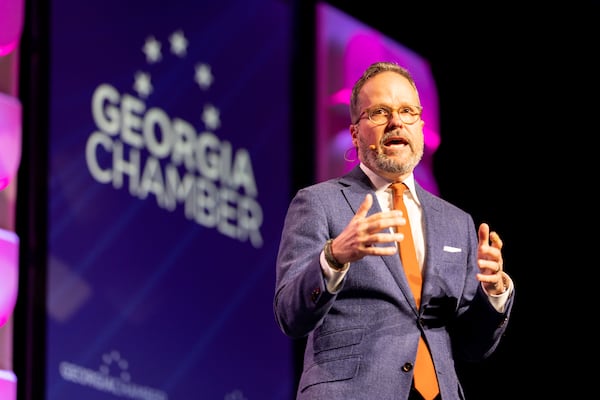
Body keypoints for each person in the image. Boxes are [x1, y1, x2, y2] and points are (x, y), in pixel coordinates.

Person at [273, 61, 514, 400]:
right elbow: (290, 315)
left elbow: (473, 347)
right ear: (356, 132)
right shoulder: (318, 203)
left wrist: (495, 291)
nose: (396, 121)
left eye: (407, 111)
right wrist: (334, 257)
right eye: (380, 112)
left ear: (420, 126)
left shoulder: (456, 222)